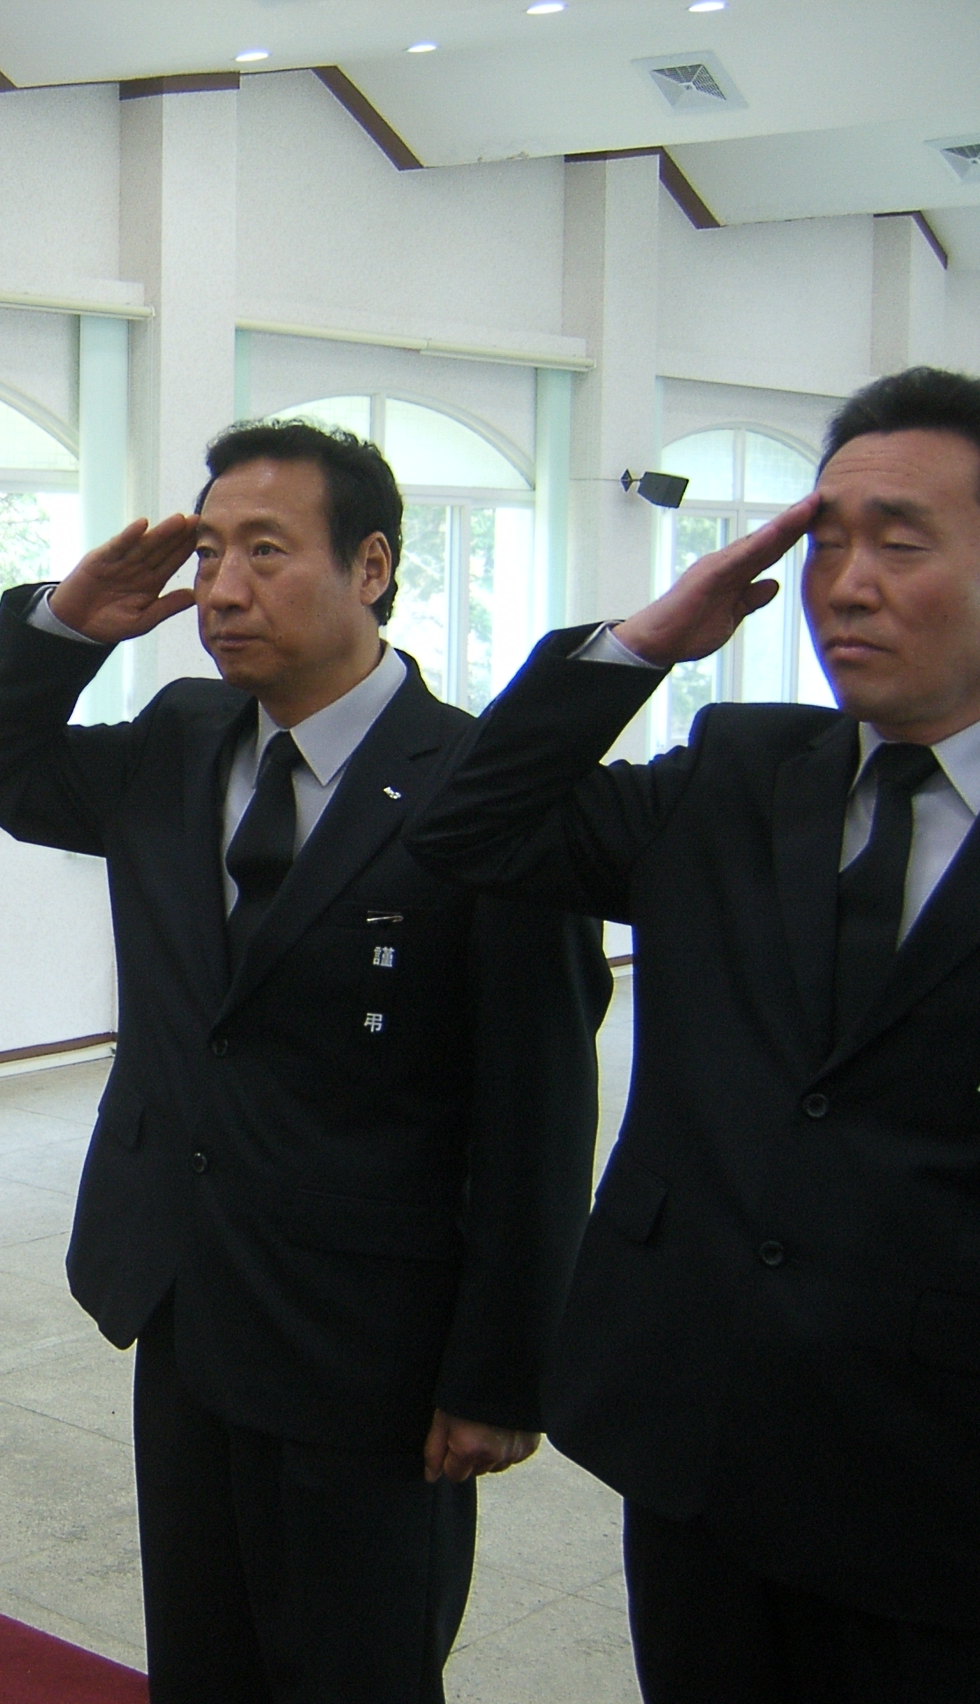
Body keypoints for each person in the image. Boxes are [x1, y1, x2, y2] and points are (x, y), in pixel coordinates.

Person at [0, 420, 610, 1704]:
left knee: (354, 1671)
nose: (222, 589)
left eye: (265, 551)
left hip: (370, 1345)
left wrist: (498, 1374)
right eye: (207, 554)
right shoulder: (181, 736)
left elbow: (536, 1109)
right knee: (204, 1661)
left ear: (371, 566)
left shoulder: (480, 785)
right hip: (182, 1291)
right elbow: (2, 769)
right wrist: (65, 629)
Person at [404, 366, 980, 1701]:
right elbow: (467, 830)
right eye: (825, 542)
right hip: (696, 1437)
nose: (846, 586)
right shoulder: (738, 774)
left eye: (900, 544)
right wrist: (644, 643)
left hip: (939, 1476)